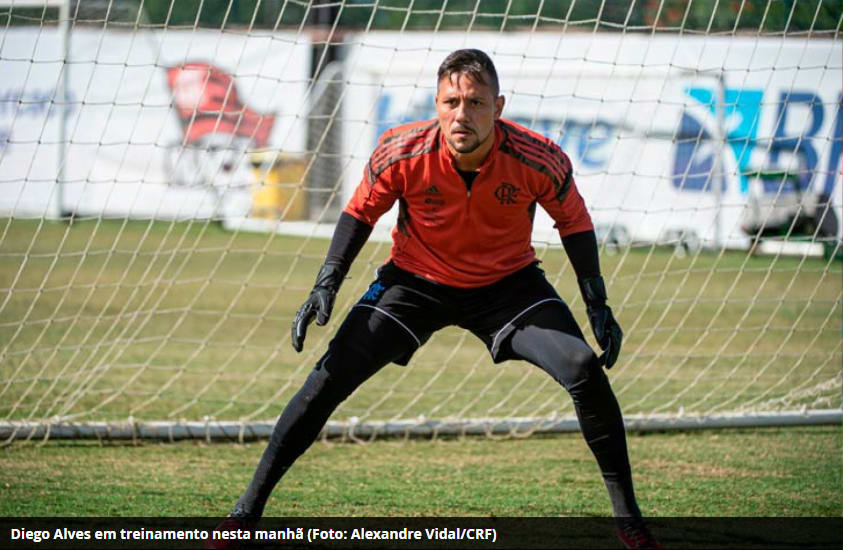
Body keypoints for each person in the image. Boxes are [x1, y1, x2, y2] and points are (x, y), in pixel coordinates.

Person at [211, 49, 660, 550]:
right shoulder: (401, 150)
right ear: (437, 103)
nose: (461, 114)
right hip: (415, 283)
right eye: (451, 101)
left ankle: (631, 525)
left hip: (508, 286)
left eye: (475, 102)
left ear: (499, 107)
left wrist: (597, 304)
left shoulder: (539, 158)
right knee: (327, 377)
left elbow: (574, 223)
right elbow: (359, 214)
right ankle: (243, 515)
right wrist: (326, 284)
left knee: (582, 367)